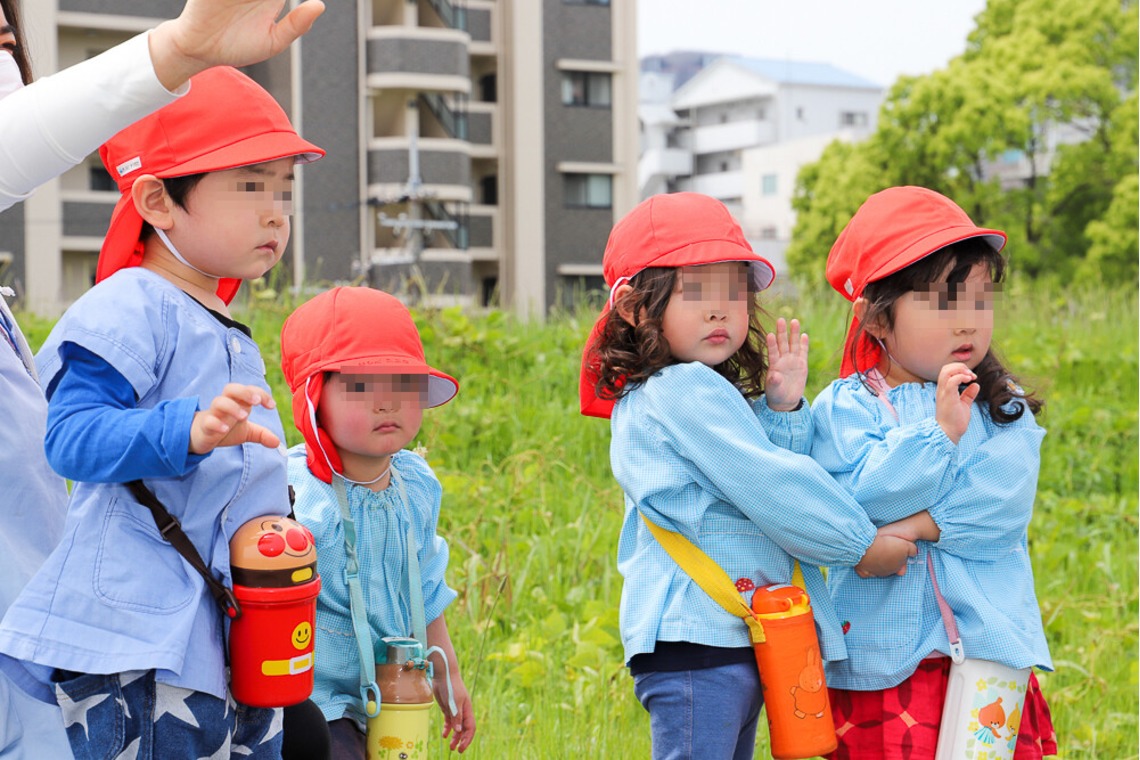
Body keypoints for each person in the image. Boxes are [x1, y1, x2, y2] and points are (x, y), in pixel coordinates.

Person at [0, 2, 324, 756]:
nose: (275, 214)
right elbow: (70, 437)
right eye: (249, 185)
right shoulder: (128, 303)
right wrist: (184, 429)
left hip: (213, 639)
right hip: (135, 655)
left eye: (283, 188)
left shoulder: (208, 311)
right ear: (156, 202)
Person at [578, 192, 918, 760]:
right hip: (698, 641)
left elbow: (753, 472)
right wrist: (858, 545)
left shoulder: (689, 392)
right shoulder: (679, 390)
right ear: (637, 308)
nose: (720, 310)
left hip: (723, 636)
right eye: (695, 291)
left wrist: (781, 411)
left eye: (732, 292)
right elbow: (768, 483)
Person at [810, 186, 1057, 759]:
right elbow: (857, 497)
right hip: (878, 660)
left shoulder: (1000, 405)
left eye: (979, 299)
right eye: (944, 302)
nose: (967, 321)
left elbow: (1000, 506)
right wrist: (938, 437)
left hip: (986, 653)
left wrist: (915, 527)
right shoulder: (847, 407)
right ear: (875, 315)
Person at [279, 286, 477, 757]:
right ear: (313, 396)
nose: (386, 403)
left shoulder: (416, 484)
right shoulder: (294, 494)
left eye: (404, 384)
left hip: (394, 696)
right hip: (315, 705)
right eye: (362, 386)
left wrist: (448, 676)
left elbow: (427, 590)